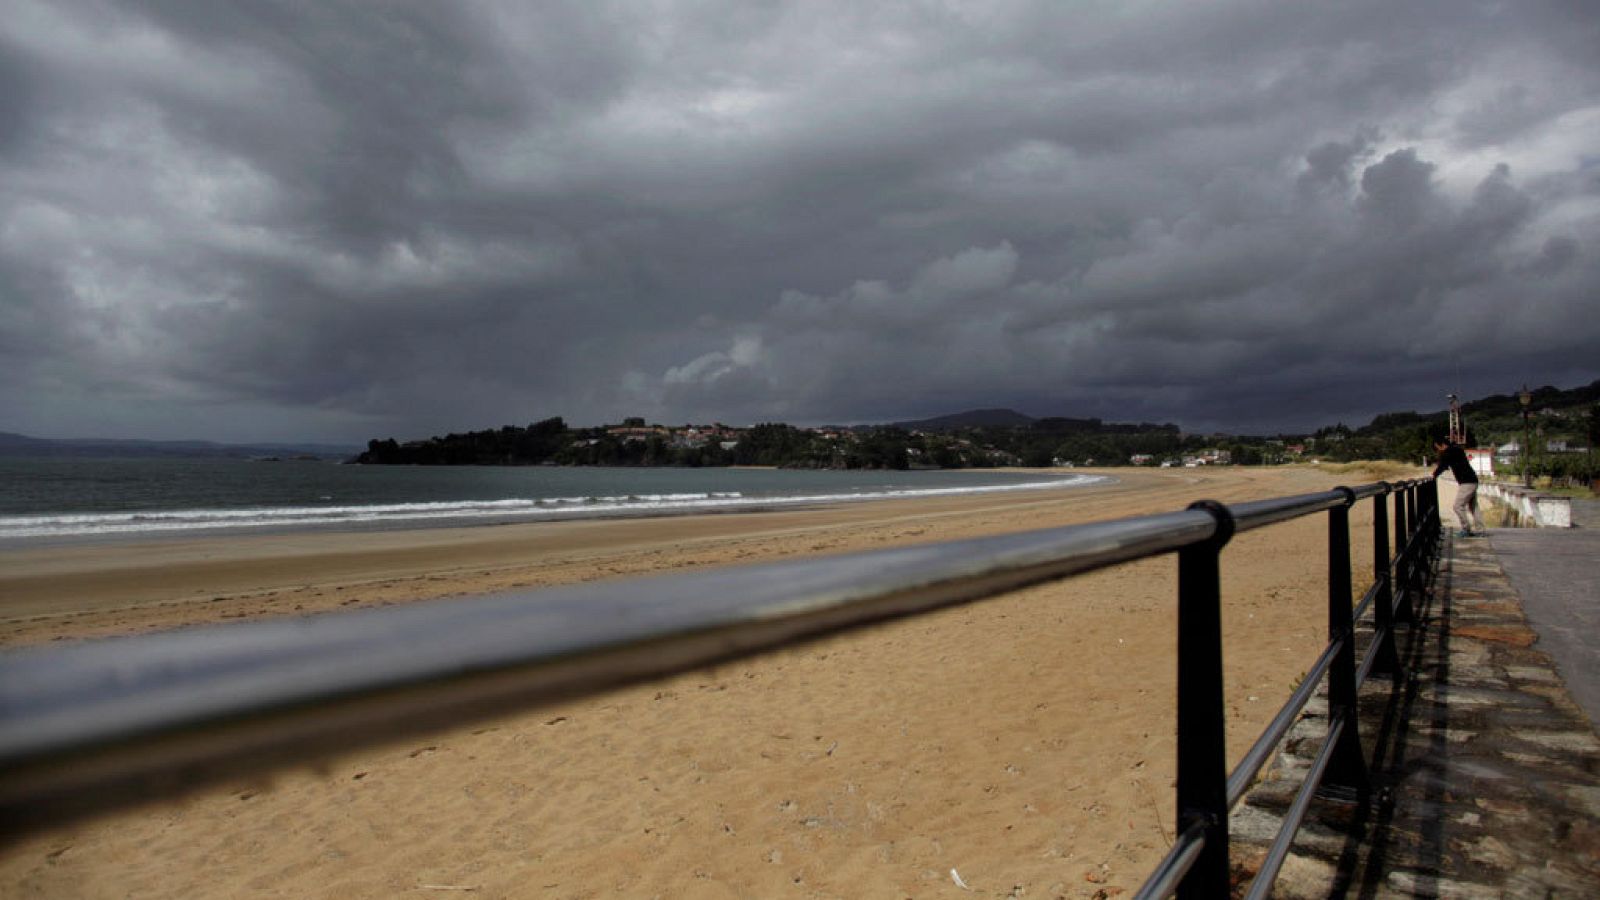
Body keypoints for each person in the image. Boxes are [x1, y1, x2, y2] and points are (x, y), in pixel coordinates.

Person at [1432, 439, 1482, 537]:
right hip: (1472, 480)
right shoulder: (1456, 450)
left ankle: (1466, 529)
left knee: (1458, 506)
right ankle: (1481, 530)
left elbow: (1443, 466)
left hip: (1467, 482)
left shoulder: (1448, 452)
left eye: (1437, 448)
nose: (1438, 451)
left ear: (1442, 445)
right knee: (1473, 506)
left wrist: (1434, 475)